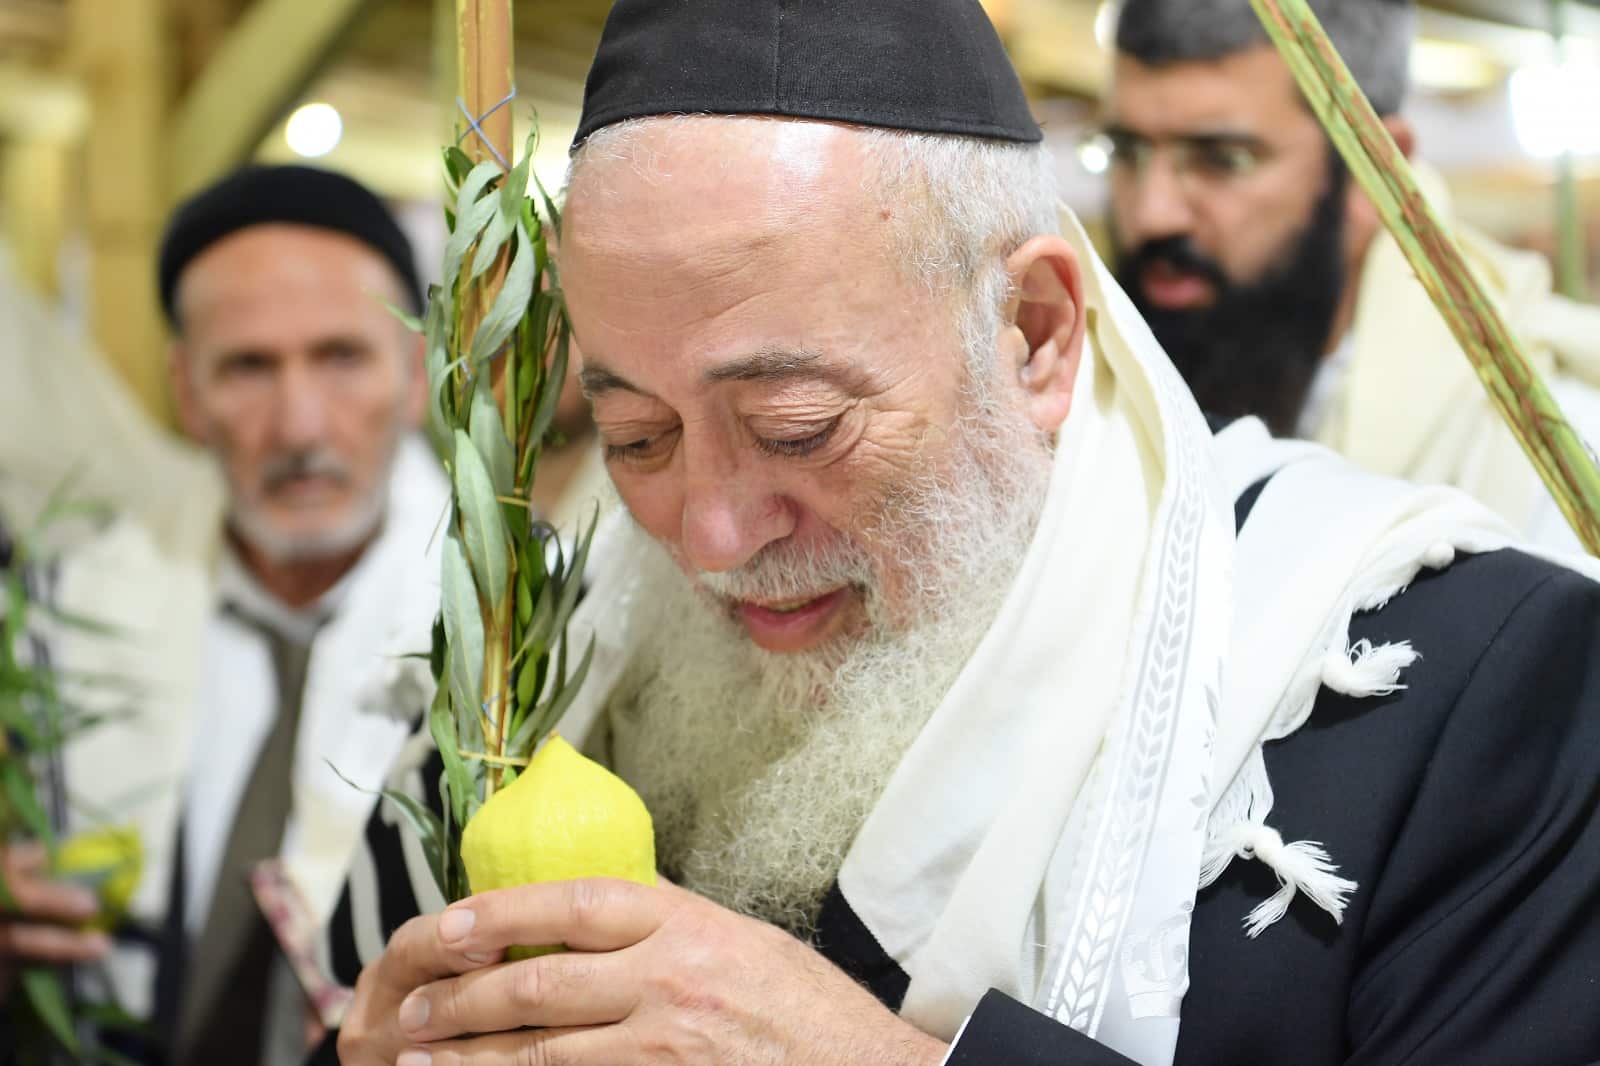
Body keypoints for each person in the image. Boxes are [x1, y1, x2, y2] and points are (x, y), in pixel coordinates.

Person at [325, 2, 1600, 1064]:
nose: (708, 536)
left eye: (795, 424)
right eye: (638, 436)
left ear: (1036, 333)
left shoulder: (1473, 690)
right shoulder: (540, 678)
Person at [1, 165, 451, 1066]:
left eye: (341, 357)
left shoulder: (519, 625)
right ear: (186, 390)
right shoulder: (63, 611)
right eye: (248, 366)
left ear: (412, 375)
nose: (299, 426)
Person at [1104, 0, 1600, 552]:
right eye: (1128, 150)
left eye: (1224, 159)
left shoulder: (1542, 464)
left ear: (1373, 173)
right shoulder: (1087, 413)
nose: (1152, 213)